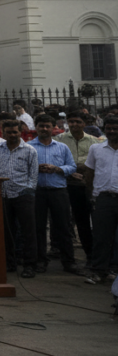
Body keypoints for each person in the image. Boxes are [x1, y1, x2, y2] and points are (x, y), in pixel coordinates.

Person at [28, 114, 78, 274]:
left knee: (63, 227)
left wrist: (57, 169)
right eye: (41, 126)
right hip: (37, 192)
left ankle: (68, 261)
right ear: (36, 127)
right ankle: (41, 261)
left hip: (58, 191)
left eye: (47, 126)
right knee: (38, 228)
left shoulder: (61, 147)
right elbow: (23, 168)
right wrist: (36, 168)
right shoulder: (29, 147)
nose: (44, 129)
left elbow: (72, 166)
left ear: (53, 128)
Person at [0, 119, 39, 277]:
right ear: (3, 133)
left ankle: (30, 265)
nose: (12, 135)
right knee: (7, 231)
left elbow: (33, 175)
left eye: (15, 132)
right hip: (3, 195)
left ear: (20, 133)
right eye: (8, 132)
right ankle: (9, 263)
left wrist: (28, 192)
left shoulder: (29, 150)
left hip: (23, 195)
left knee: (28, 232)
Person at [56, 111, 101, 262]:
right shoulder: (60, 140)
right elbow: (56, 161)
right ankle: (66, 255)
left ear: (84, 123)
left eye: (77, 121)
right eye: (71, 121)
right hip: (66, 183)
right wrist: (71, 171)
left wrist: (85, 172)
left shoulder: (94, 142)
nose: (74, 124)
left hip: (87, 185)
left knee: (87, 222)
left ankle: (91, 254)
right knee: (65, 221)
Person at [82, 116, 118, 285]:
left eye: (115, 129)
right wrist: (93, 194)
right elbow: (89, 174)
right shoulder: (96, 149)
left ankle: (113, 270)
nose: (112, 132)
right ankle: (98, 270)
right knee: (101, 237)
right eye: (109, 128)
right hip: (103, 198)